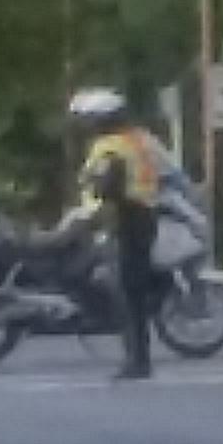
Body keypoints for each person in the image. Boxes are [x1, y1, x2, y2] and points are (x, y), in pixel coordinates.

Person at [70, 87, 176, 380]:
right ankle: (138, 356)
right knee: (133, 288)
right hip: (142, 216)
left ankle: (137, 361)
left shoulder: (110, 147)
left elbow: (108, 184)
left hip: (123, 219)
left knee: (128, 294)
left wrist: (95, 189)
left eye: (88, 120)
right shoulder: (138, 139)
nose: (86, 126)